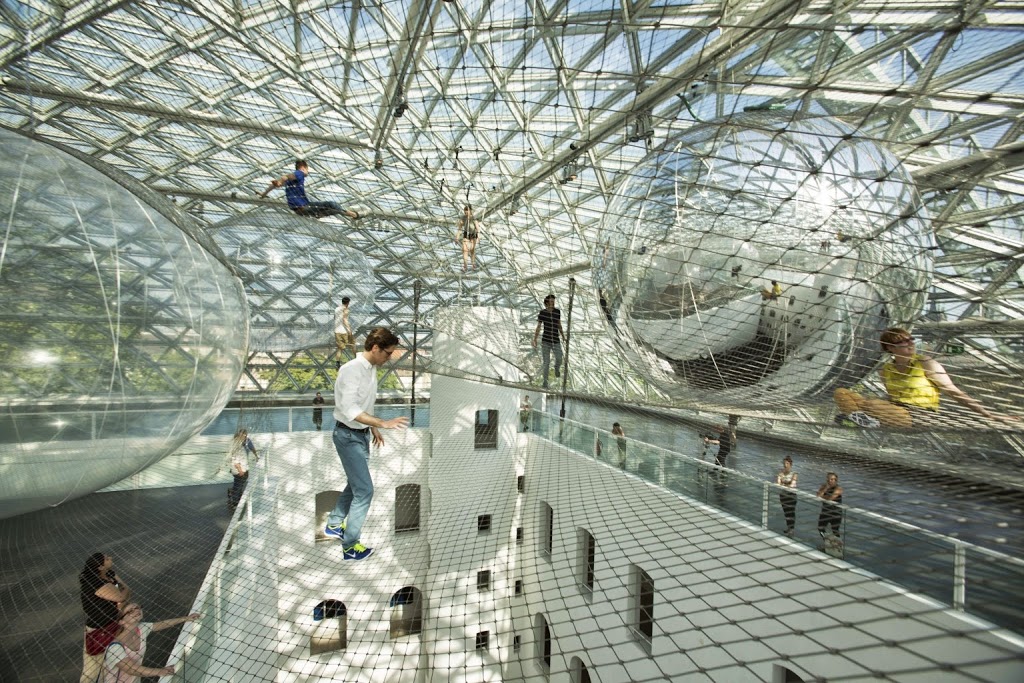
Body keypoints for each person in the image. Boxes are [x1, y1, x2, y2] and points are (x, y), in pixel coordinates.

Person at [324, 327, 409, 560]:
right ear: (375, 348)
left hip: (359, 435)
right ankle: (350, 546)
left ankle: (333, 524)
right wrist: (382, 423)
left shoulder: (371, 367)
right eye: (388, 353)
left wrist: (372, 427)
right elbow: (349, 409)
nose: (389, 358)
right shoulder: (351, 370)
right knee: (365, 490)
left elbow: (364, 403)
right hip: (348, 436)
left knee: (356, 484)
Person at [879, 327, 1013, 423]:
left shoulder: (925, 362)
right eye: (904, 341)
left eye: (911, 339)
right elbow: (892, 396)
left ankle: (872, 420)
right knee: (859, 400)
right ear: (890, 347)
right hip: (897, 412)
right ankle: (872, 420)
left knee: (868, 405)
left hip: (922, 414)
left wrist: (987, 414)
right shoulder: (886, 370)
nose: (911, 343)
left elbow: (952, 391)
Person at [101, 603, 199, 682]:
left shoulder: (141, 628)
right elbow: (131, 669)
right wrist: (160, 671)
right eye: (130, 611)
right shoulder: (114, 647)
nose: (137, 610)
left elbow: (161, 624)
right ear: (121, 621)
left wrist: (185, 618)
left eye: (138, 607)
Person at [80, 553, 131, 683]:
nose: (111, 558)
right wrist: (123, 594)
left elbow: (123, 595)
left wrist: (122, 592)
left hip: (113, 624)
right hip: (98, 630)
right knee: (93, 670)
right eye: (107, 559)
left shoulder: (109, 576)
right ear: (100, 567)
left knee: (111, 665)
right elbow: (121, 597)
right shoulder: (95, 583)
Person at [260, 159, 359, 219]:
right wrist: (280, 182)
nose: (308, 172)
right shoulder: (300, 173)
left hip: (300, 210)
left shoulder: (291, 181)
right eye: (308, 170)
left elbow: (273, 185)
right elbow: (285, 177)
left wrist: (263, 194)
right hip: (304, 207)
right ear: (303, 168)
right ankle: (352, 214)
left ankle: (320, 214)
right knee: (332, 205)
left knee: (328, 208)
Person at [532, 294, 565, 389]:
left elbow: (559, 325)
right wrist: (535, 339)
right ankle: (545, 382)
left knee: (559, 358)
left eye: (553, 301)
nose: (553, 303)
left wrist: (563, 336)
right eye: (551, 301)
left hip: (555, 340)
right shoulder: (542, 313)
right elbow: (538, 327)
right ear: (547, 303)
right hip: (545, 341)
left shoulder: (557, 312)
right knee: (546, 362)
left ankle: (556, 367)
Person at [228, 429, 258, 508]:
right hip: (239, 468)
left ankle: (233, 493)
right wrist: (240, 470)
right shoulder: (236, 445)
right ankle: (235, 502)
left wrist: (256, 456)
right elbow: (235, 460)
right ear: (239, 435)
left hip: (244, 465)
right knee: (238, 484)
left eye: (245, 435)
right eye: (243, 435)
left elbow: (252, 448)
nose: (244, 437)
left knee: (240, 483)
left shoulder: (247, 441)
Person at [816, 472, 843, 539]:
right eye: (828, 479)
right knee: (820, 528)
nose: (829, 481)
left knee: (835, 530)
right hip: (825, 511)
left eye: (832, 479)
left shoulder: (839, 488)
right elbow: (818, 495)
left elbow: (831, 498)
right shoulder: (824, 486)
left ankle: (837, 546)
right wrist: (825, 489)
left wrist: (823, 496)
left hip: (836, 513)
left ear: (836, 480)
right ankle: (827, 542)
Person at [776, 456, 798, 537]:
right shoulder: (780, 472)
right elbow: (778, 484)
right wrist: (786, 483)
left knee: (791, 512)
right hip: (783, 495)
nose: (785, 465)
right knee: (786, 512)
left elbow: (792, 485)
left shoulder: (794, 473)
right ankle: (789, 527)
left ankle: (792, 529)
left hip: (791, 495)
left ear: (790, 464)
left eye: (787, 463)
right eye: (784, 463)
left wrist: (783, 483)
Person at [456, 205, 481, 272]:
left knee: (472, 250)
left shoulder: (474, 218)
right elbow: (460, 228)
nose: (466, 211)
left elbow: (477, 228)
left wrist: (478, 237)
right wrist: (457, 237)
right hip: (466, 234)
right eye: (465, 210)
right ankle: (465, 266)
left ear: (470, 211)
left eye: (467, 210)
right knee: (464, 250)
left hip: (473, 234)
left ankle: (473, 264)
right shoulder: (463, 218)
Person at [335, 297, 356, 365]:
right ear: (348, 303)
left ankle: (337, 363)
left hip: (337, 331)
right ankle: (356, 359)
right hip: (344, 331)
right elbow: (344, 320)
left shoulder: (336, 309)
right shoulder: (346, 309)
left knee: (339, 348)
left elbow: (335, 319)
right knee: (352, 344)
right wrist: (349, 329)